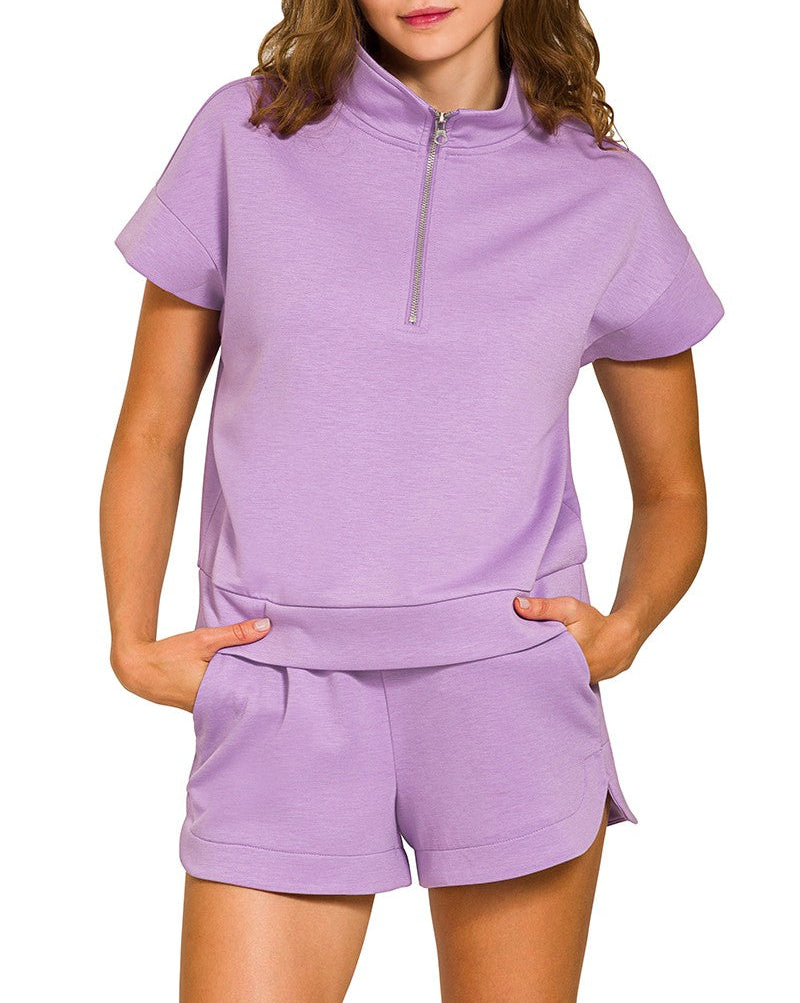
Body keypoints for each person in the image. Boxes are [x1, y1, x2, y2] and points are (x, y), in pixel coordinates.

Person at [100, 1, 724, 999]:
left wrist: (624, 628)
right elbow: (149, 429)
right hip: (279, 682)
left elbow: (674, 487)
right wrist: (133, 640)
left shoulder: (604, 192)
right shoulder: (244, 135)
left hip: (506, 691)